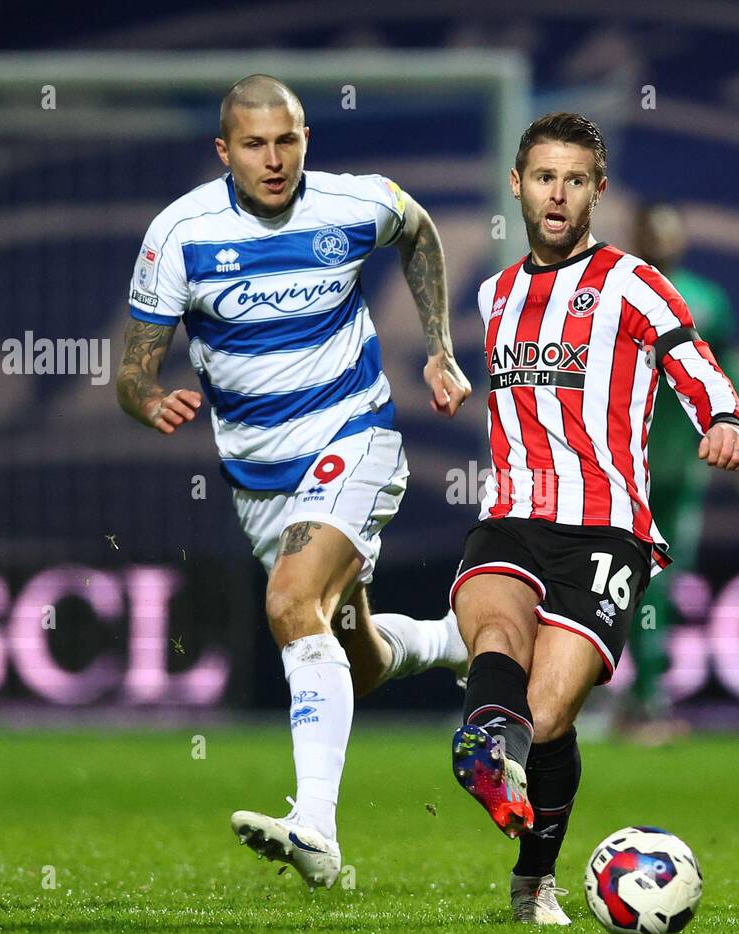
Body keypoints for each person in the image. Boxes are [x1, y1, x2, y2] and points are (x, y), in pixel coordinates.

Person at [116, 75, 472, 890]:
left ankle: (315, 826)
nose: (273, 161)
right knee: (359, 656)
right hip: (259, 481)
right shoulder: (180, 234)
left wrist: (440, 347)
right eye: (254, 144)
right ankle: (454, 642)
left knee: (286, 602)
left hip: (358, 437)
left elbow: (417, 230)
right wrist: (149, 400)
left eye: (288, 141)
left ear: (307, 138)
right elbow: (131, 373)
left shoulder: (354, 205)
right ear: (224, 150)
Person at [447, 113, 739, 925]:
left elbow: (692, 358)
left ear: (597, 191)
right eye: (544, 177)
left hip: (605, 530)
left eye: (575, 180)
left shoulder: (633, 282)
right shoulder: (496, 293)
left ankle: (531, 878)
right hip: (508, 515)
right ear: (516, 184)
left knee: (546, 718)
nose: (558, 194)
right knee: (493, 638)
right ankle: (482, 743)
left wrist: (724, 418)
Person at [619, 204, 739, 743]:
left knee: (659, 582)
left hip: (683, 467)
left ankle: (644, 699)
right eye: (652, 230)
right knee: (621, 581)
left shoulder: (708, 302)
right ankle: (628, 697)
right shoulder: (614, 293)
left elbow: (729, 372)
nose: (661, 239)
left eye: (668, 230)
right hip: (622, 465)